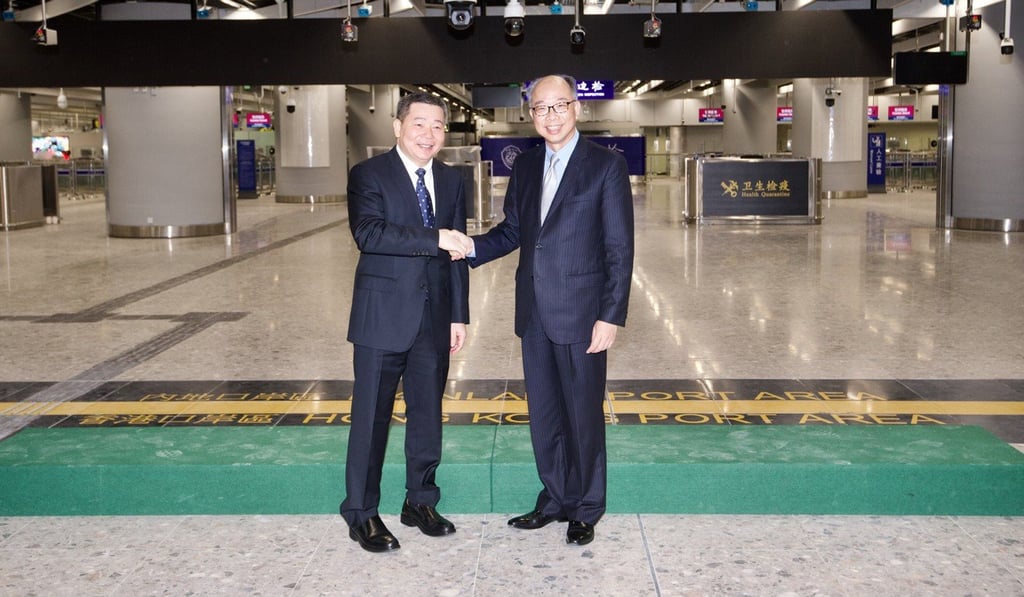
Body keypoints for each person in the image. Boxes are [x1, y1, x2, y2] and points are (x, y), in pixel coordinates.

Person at [466, 74, 634, 546]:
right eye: (541, 108)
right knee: (544, 413)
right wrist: (470, 248)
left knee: (583, 412)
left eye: (560, 106)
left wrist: (611, 314)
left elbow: (619, 247)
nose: (551, 116)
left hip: (583, 312)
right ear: (531, 114)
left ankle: (586, 506)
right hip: (534, 312)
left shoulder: (605, 166)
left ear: (577, 108)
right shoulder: (526, 166)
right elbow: (513, 232)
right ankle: (555, 497)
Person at [340, 91, 470, 553]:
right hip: (381, 318)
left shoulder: (453, 181)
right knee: (371, 418)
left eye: (438, 126)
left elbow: (456, 254)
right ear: (397, 126)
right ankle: (361, 512)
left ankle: (420, 501)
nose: (428, 134)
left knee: (427, 416)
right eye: (419, 124)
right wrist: (434, 237)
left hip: (434, 318)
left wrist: (459, 315)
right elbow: (369, 233)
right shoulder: (369, 175)